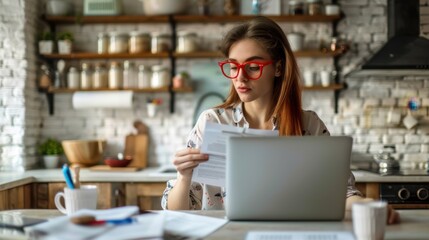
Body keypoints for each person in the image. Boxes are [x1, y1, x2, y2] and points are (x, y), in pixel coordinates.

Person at [161, 16, 400, 224]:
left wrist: (368, 205)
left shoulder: (309, 125)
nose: (240, 77)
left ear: (278, 68)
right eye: (233, 66)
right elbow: (176, 212)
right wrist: (184, 177)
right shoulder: (212, 121)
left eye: (253, 66)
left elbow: (342, 193)